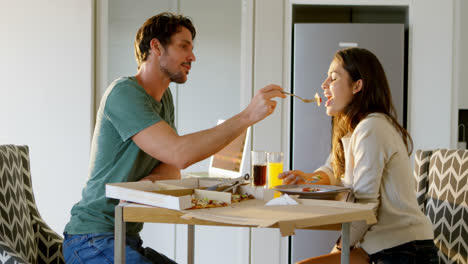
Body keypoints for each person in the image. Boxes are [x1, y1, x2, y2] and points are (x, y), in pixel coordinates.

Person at [62, 12, 285, 264]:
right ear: (156, 46)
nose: (192, 57)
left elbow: (171, 166)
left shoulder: (163, 99)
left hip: (125, 238)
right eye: (183, 46)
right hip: (91, 239)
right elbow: (179, 154)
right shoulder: (124, 94)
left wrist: (146, 184)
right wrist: (246, 117)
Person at [279, 48, 438, 264]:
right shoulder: (355, 129)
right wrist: (309, 179)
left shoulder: (372, 128)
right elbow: (333, 170)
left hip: (403, 250)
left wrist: (339, 249)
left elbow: (364, 207)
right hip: (379, 245)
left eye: (333, 78)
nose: (324, 84)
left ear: (357, 85)